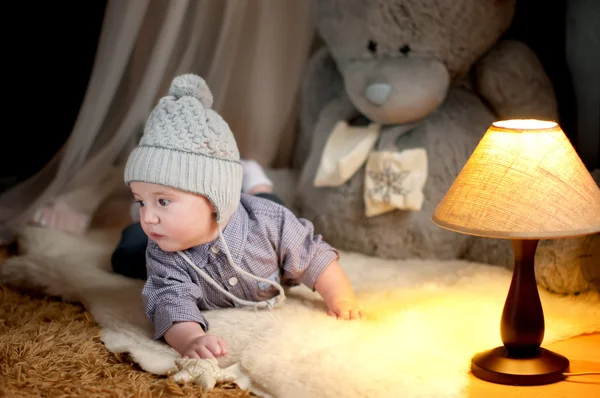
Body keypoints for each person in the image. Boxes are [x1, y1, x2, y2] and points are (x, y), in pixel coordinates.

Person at [121, 73, 363, 360]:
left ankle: (256, 182)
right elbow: (168, 301)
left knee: (271, 203)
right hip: (176, 236)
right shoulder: (163, 253)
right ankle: (132, 223)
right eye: (141, 202)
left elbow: (314, 256)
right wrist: (190, 338)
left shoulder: (270, 222)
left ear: (213, 198)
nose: (149, 216)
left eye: (162, 200)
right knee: (126, 255)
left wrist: (341, 297)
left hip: (251, 210)